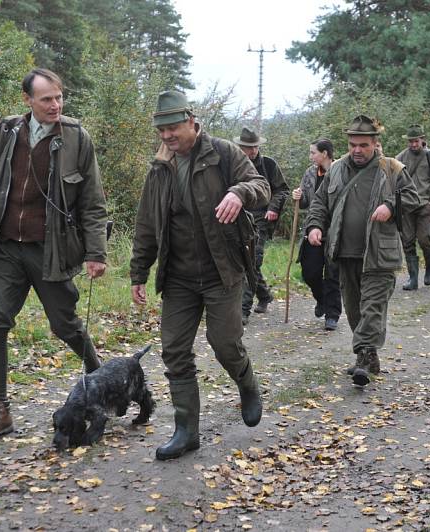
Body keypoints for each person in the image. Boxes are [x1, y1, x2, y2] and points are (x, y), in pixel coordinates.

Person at [0, 68, 108, 444]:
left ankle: (101, 382)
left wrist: (96, 252)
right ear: (28, 100)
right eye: (46, 99)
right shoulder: (7, 131)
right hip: (5, 246)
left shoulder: (76, 138)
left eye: (59, 97)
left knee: (65, 325)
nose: (55, 105)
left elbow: (92, 201)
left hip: (50, 250)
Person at [130, 91, 270, 460]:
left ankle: (247, 383)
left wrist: (240, 193)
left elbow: (262, 187)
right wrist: (138, 273)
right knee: (174, 350)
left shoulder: (223, 153)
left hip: (222, 270)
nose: (167, 136)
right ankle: (186, 430)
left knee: (224, 342)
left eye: (173, 128)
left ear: (192, 122)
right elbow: (147, 224)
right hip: (177, 275)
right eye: (161, 130)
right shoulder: (160, 168)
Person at [305, 115, 419, 387]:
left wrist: (391, 206)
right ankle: (369, 355)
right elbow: (320, 203)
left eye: (363, 145)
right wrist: (314, 226)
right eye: (352, 144)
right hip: (344, 254)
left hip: (379, 255)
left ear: (375, 143)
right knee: (355, 310)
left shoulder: (392, 169)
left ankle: (363, 359)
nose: (357, 150)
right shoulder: (337, 169)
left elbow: (413, 198)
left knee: (372, 308)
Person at [233, 127, 290, 325]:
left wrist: (273, 208)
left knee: (252, 260)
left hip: (261, 219)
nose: (252, 151)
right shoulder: (233, 163)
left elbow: (282, 190)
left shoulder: (268, 165)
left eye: (255, 147)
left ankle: (243, 310)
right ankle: (264, 295)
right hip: (239, 218)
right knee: (243, 261)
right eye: (248, 147)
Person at [292, 138, 342, 331]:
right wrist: (299, 197)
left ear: (325, 153)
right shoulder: (310, 173)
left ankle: (332, 314)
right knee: (309, 272)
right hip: (313, 228)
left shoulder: (341, 171)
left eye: (313, 152)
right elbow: (305, 202)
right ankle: (322, 300)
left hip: (335, 231)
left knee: (332, 274)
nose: (310, 156)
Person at [395, 124, 430, 290]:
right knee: (407, 241)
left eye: (416, 141)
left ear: (423, 140)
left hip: (426, 205)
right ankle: (412, 278)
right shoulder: (400, 158)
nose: (413, 144)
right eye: (410, 141)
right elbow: (394, 182)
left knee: (425, 239)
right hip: (406, 206)